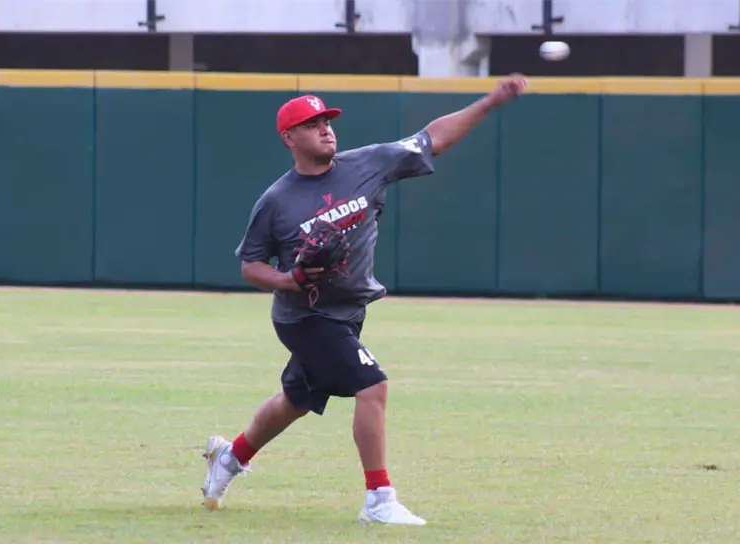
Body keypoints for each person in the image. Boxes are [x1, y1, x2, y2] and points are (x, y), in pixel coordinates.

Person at [200, 74, 529, 525]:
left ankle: (230, 457)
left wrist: (490, 102)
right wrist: (288, 278)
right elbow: (250, 265)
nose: (325, 128)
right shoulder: (276, 201)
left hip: (348, 312)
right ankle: (379, 499)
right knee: (372, 386)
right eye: (313, 123)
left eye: (327, 120)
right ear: (289, 137)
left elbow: (433, 138)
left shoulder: (367, 164)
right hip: (306, 317)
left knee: (295, 400)